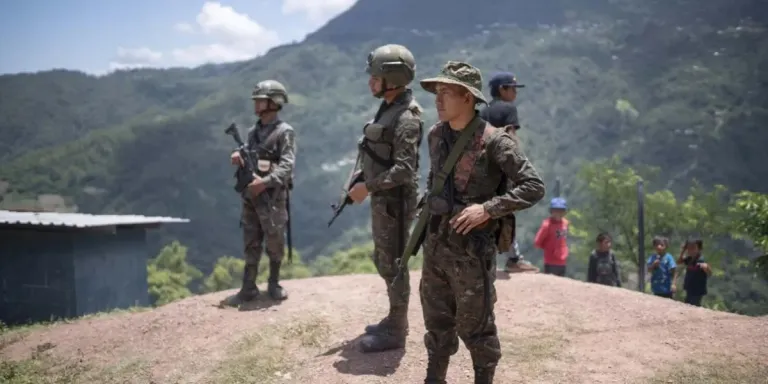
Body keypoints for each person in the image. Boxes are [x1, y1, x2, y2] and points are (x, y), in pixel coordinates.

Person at [416, 61, 545, 383]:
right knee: (436, 322)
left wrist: (488, 209)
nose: (438, 99)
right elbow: (435, 181)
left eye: (447, 92)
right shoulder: (435, 136)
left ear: (468, 98)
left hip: (472, 252)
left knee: (477, 328)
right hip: (436, 247)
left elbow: (533, 186)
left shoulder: (495, 141)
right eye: (437, 92)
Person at [346, 44, 424, 353]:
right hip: (384, 199)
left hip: (396, 204)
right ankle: (394, 318)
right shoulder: (389, 106)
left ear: (392, 78)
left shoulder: (406, 116)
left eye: (375, 76)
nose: (370, 82)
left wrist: (369, 187)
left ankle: (396, 330)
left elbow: (404, 170)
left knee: (394, 263)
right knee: (384, 260)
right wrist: (363, 178)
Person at [222, 80, 296, 307]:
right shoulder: (253, 132)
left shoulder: (284, 132)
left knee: (274, 240)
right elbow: (249, 152)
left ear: (274, 102)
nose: (256, 103)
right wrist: (238, 153)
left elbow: (287, 165)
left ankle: (273, 283)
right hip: (251, 195)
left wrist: (265, 183)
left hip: (272, 196)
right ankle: (249, 287)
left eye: (260, 100)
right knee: (250, 239)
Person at [479, 72, 537, 273]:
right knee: (507, 209)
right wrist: (518, 167)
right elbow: (511, 139)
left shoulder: (483, 111)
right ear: (502, 89)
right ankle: (513, 258)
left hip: (483, 168)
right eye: (512, 88)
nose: (515, 92)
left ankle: (483, 254)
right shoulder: (508, 109)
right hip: (503, 168)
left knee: (485, 208)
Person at [534, 197, 569, 276]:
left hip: (563, 261)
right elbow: (537, 242)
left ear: (564, 212)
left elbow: (563, 240)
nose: (558, 213)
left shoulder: (565, 223)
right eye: (556, 210)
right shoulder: (547, 225)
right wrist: (549, 247)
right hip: (550, 262)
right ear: (551, 211)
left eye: (561, 211)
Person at [676, 238, 711, 306]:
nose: (691, 250)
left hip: (697, 290)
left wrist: (707, 268)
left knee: (694, 305)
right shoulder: (689, 259)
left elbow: (709, 273)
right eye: (689, 248)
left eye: (693, 248)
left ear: (699, 249)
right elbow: (679, 262)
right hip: (690, 288)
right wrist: (683, 251)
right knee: (688, 305)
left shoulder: (700, 259)